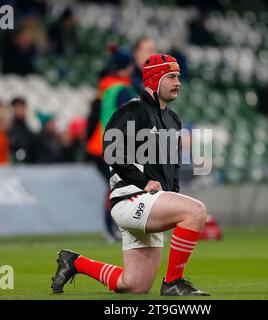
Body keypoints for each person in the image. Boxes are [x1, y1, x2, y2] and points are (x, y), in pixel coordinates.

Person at [51, 54, 209, 296]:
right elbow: (111, 153)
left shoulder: (172, 119)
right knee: (195, 211)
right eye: (171, 76)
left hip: (150, 203)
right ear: (155, 80)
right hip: (130, 197)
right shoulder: (132, 110)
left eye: (178, 76)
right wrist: (144, 181)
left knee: (135, 285)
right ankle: (173, 283)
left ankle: (74, 262)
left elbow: (172, 167)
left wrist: (171, 194)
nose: (178, 82)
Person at [86, 46, 136, 242]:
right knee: (117, 187)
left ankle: (112, 228)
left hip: (99, 145)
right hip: (112, 146)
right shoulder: (122, 90)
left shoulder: (106, 87)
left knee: (115, 186)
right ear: (130, 66)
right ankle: (112, 228)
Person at [7, 97, 37, 163]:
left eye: (23, 107)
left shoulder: (27, 126)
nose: (22, 110)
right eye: (19, 107)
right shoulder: (10, 128)